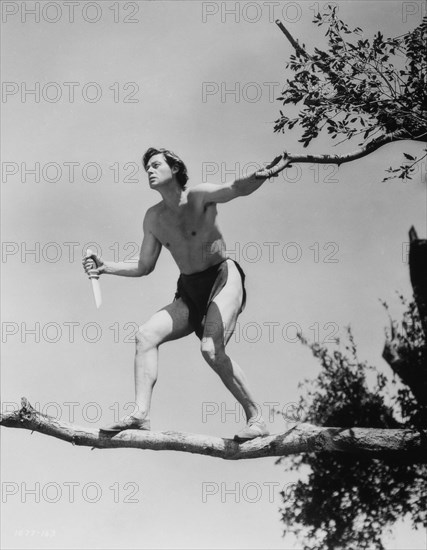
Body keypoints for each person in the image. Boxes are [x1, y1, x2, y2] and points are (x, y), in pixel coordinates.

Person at [83, 147, 285, 441]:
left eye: (155, 165)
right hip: (189, 289)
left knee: (211, 350)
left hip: (221, 277)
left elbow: (235, 188)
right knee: (145, 335)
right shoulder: (153, 218)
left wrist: (262, 174)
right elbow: (144, 265)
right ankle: (139, 415)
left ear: (175, 168)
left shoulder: (198, 196)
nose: (149, 171)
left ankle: (256, 418)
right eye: (146, 168)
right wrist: (106, 267)